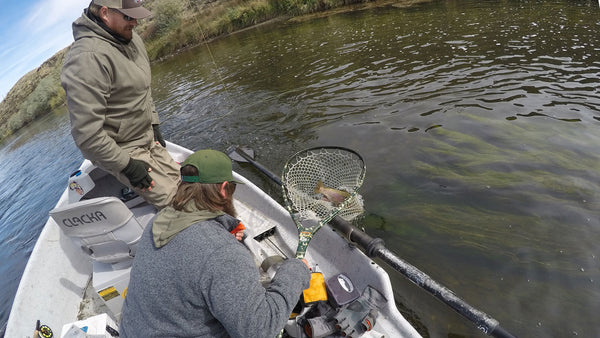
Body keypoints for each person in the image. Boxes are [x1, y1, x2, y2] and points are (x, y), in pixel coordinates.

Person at [119, 149, 311, 337]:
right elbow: (260, 329)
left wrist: (219, 234)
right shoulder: (222, 252)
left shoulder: (158, 220)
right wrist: (295, 271)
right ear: (223, 188)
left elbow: (192, 253)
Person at [61, 0, 180, 209]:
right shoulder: (86, 59)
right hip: (123, 148)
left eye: (136, 16)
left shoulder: (130, 37)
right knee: (175, 203)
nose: (135, 23)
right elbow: (87, 136)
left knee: (185, 183)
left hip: (146, 135)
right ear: (105, 13)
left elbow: (143, 88)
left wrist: (154, 122)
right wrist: (126, 165)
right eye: (128, 16)